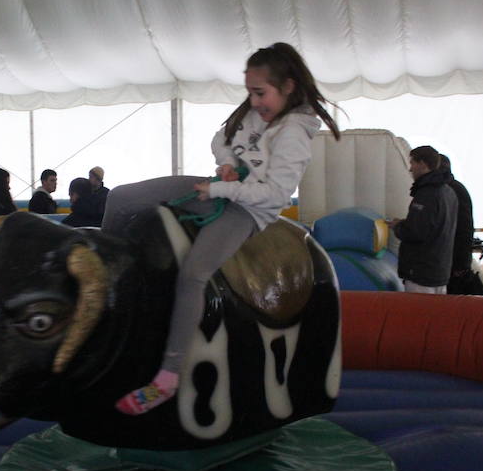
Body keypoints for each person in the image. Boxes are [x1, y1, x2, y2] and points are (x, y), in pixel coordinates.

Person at [107, 42, 341, 415]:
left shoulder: (295, 134)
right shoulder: (256, 110)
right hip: (224, 187)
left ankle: (167, 378)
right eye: (249, 91)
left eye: (260, 93)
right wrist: (227, 162)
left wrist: (220, 188)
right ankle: (110, 292)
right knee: (121, 197)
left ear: (289, 87)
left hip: (248, 210)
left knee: (195, 273)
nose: (254, 100)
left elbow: (275, 194)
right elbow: (223, 138)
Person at [388, 146, 457, 295]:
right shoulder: (448, 192)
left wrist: (398, 226)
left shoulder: (427, 194)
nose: (410, 169)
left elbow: (416, 232)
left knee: (418, 316)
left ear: (423, 164)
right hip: (440, 270)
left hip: (421, 272)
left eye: (413, 163)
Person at [438, 155, 477, 294]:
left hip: (453, 262)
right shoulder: (452, 189)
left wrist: (460, 264)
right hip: (450, 260)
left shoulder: (452, 191)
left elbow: (464, 229)